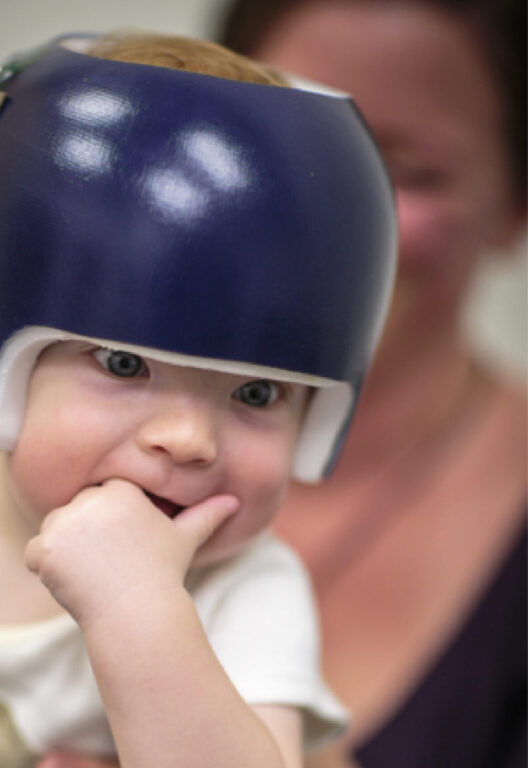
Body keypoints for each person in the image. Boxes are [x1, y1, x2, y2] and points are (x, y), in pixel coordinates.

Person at [0, 3, 528, 766]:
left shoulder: (244, 597)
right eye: (125, 365)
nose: (188, 439)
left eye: (258, 393)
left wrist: (139, 611)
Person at [217, 1, 526, 766]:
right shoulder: (76, 391)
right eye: (284, 138)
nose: (332, 215)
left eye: (412, 172)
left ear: (514, 206)